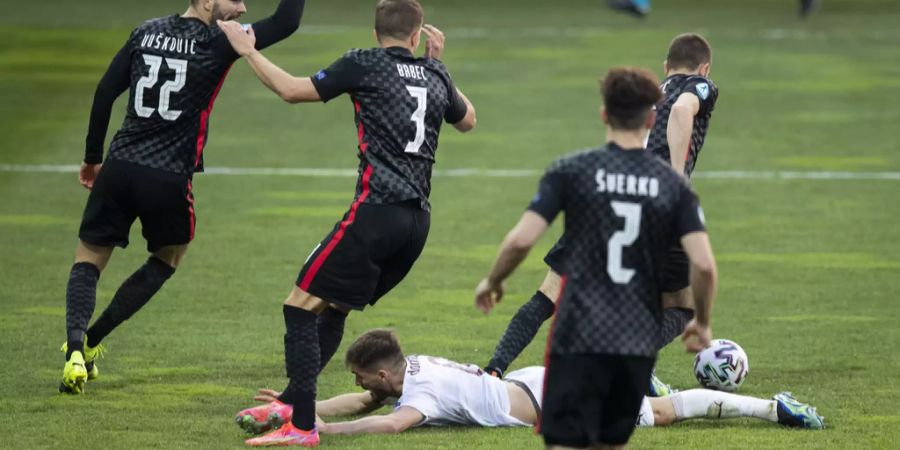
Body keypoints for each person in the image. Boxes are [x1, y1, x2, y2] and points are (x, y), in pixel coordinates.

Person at [217, 0, 476, 446]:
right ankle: (292, 399)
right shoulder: (435, 73)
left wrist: (247, 51)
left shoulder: (363, 63)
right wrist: (439, 67)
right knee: (333, 305)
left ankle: (300, 427)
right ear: (416, 36)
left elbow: (293, 90)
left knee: (299, 305)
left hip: (376, 213)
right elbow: (468, 120)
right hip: (417, 226)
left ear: (377, 32)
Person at [60, 0, 306, 395]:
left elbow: (106, 91)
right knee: (168, 257)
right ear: (207, 1)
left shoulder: (145, 30)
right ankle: (92, 340)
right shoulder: (221, 40)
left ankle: (73, 350)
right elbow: (287, 20)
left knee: (89, 258)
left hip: (120, 165)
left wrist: (93, 157)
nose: (242, 8)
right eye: (234, 0)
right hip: (168, 177)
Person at [474, 67, 716, 449]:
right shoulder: (676, 188)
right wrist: (702, 321)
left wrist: (494, 280)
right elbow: (703, 265)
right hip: (634, 341)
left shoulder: (573, 170)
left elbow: (522, 240)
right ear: (653, 119)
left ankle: (495, 365)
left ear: (604, 114)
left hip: (578, 334)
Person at [237, 329, 825, 436]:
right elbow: (368, 399)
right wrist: (299, 406)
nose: (368, 385)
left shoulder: (418, 396)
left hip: (552, 399)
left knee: (665, 413)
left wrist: (317, 434)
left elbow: (388, 421)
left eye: (369, 377)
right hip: (532, 382)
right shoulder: (412, 367)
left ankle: (772, 409)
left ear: (387, 372)